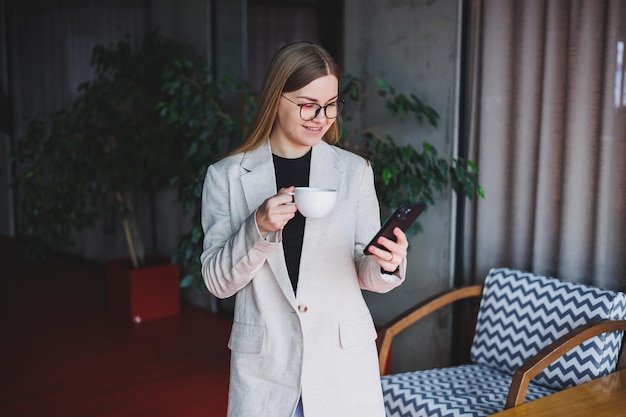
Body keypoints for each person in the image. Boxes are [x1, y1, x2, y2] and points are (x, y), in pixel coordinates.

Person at [200, 41, 408, 417]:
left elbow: (364, 271)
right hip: (267, 370)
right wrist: (258, 228)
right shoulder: (226, 177)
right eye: (308, 104)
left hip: (342, 366)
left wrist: (387, 264)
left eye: (331, 105)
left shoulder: (354, 172)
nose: (321, 117)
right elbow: (217, 282)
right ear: (276, 98)